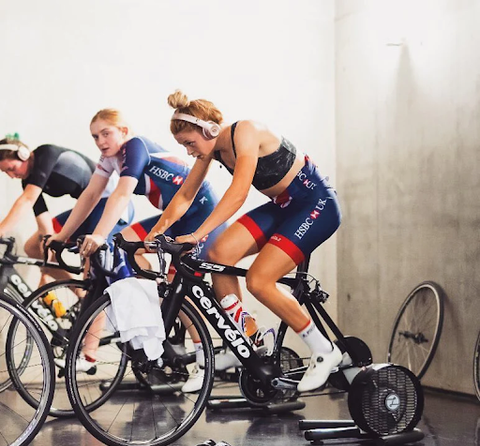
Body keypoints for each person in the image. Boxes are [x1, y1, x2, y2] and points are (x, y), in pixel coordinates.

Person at [145, 90, 343, 393]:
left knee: (259, 280)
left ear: (209, 129)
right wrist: (157, 233)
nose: (188, 151)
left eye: (189, 143)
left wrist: (197, 233)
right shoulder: (211, 149)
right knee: (218, 253)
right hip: (283, 206)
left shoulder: (246, 131)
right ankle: (246, 334)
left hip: (315, 204)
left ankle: (324, 350)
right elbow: (185, 195)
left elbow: (238, 193)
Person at [48, 109, 227, 386]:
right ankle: (157, 302)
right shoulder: (109, 158)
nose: (100, 141)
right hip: (174, 216)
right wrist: (62, 236)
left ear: (124, 131)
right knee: (126, 244)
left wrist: (98, 234)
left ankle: (204, 360)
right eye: (95, 136)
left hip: (199, 213)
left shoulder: (135, 147)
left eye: (106, 133)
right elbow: (91, 194)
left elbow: (121, 193)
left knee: (182, 285)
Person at [0, 135, 132, 287]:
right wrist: (46, 270)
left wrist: (1, 230)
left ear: (23, 155)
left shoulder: (45, 153)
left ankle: (89, 296)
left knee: (92, 263)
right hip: (88, 209)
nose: (11, 176)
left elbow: (27, 200)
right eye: (6, 173)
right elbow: (45, 227)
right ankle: (78, 292)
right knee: (32, 247)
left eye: (11, 169)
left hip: (109, 203)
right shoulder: (28, 181)